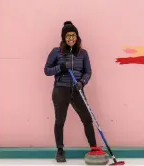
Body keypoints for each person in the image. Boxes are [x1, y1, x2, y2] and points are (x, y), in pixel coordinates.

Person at [44, 21, 104, 162]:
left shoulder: (83, 54)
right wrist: (61, 67)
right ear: (64, 38)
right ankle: (60, 151)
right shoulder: (56, 52)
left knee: (87, 118)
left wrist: (82, 82)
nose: (71, 38)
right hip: (60, 90)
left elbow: (88, 72)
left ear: (77, 37)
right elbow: (46, 70)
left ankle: (94, 147)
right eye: (68, 36)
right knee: (60, 120)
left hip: (77, 90)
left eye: (74, 35)